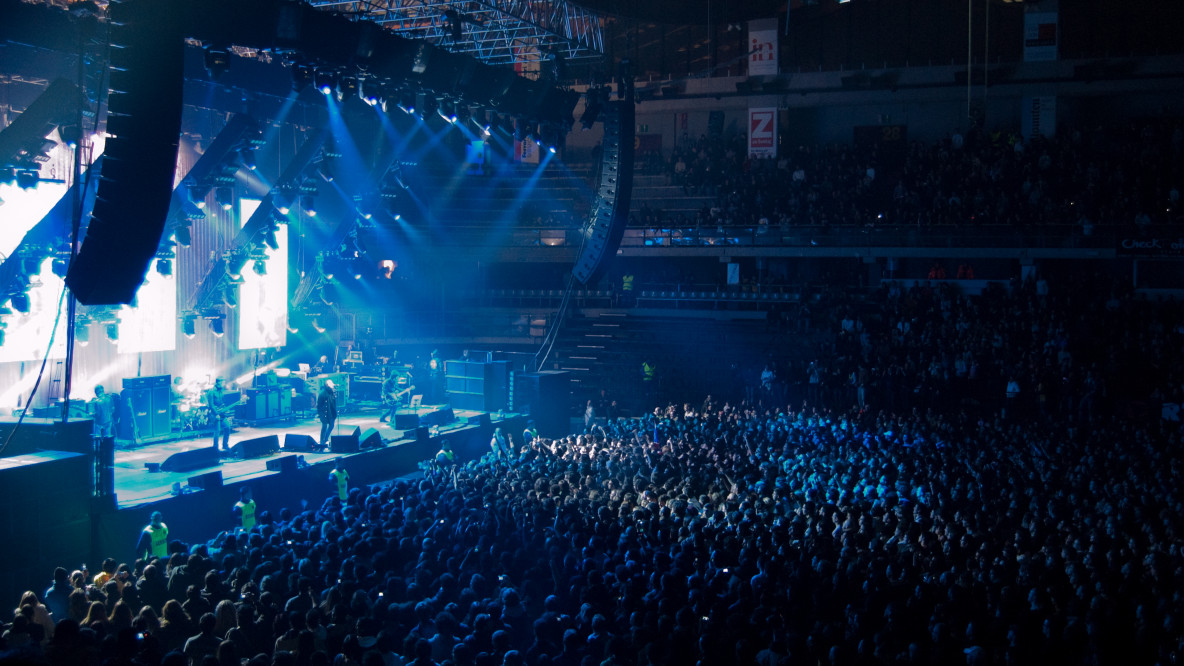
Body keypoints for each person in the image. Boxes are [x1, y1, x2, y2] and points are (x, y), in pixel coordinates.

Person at [91, 385, 116, 497]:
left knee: (97, 438)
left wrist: (91, 415)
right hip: (109, 421)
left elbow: (98, 414)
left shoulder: (96, 401)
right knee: (107, 438)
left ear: (96, 392)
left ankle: (97, 453)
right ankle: (108, 454)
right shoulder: (109, 398)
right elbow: (113, 409)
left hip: (100, 422)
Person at [203, 378, 233, 453]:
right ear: (218, 383)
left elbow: (221, 403)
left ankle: (225, 445)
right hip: (215, 414)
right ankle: (215, 448)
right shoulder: (211, 392)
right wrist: (216, 414)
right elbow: (211, 405)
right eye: (223, 383)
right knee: (217, 431)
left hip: (221, 413)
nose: (224, 384)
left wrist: (225, 409)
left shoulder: (221, 391)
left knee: (227, 427)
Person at [317, 379, 338, 448]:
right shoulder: (322, 394)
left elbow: (334, 401)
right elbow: (319, 405)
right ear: (326, 386)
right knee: (324, 426)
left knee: (331, 426)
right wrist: (320, 414)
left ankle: (325, 438)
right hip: (325, 413)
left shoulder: (332, 392)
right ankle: (322, 441)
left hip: (331, 412)